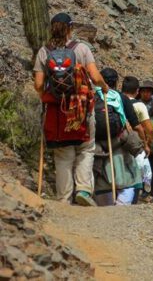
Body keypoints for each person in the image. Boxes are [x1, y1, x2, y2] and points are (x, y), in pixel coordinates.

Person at [33, 12, 110, 206]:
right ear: (70, 28)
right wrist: (104, 87)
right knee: (86, 148)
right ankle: (83, 189)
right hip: (81, 107)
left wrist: (45, 96)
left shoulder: (44, 51)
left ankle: (63, 199)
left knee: (62, 152)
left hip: (57, 110)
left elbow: (38, 84)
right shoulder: (81, 48)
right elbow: (94, 76)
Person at [93, 68, 143, 206]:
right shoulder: (120, 97)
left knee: (102, 184)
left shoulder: (93, 96)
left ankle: (105, 211)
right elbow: (136, 126)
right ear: (116, 82)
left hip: (96, 147)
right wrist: (144, 142)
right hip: (119, 146)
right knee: (129, 180)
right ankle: (120, 209)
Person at [122, 76, 153, 202]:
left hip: (116, 142)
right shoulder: (139, 105)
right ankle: (136, 199)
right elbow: (149, 129)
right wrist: (147, 144)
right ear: (137, 92)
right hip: (135, 144)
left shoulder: (115, 100)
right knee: (142, 173)